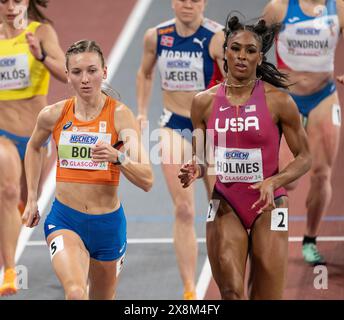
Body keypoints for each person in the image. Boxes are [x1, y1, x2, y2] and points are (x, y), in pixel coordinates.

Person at [178, 16, 311, 299]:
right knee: (231, 292)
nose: (241, 56)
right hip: (226, 201)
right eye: (235, 48)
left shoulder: (279, 101)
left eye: (250, 51)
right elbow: (200, 157)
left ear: (260, 58)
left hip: (270, 204)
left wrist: (274, 181)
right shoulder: (203, 102)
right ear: (224, 51)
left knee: (267, 296)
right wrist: (196, 168)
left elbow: (305, 157)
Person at [23, 39, 153, 300]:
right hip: (65, 219)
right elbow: (34, 147)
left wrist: (118, 157)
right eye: (77, 72)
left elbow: (147, 179)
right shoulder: (53, 114)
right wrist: (32, 199)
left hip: (107, 225)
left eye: (92, 71)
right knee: (75, 293)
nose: (85, 79)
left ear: (104, 72)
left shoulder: (120, 116)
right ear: (67, 75)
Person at [136, 0, 224, 300]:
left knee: (219, 208)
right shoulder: (156, 36)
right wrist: (142, 112)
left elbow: (235, 83)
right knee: (184, 210)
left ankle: (226, 268)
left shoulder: (218, 37)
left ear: (204, 3)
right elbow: (145, 73)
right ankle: (189, 289)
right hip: (174, 125)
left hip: (211, 129)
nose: (188, 5)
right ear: (173, 3)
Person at [262, 0, 344, 265]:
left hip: (324, 98)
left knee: (322, 175)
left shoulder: (339, 7)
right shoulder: (280, 8)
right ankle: (272, 237)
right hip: (287, 101)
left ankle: (310, 240)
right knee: (286, 179)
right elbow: (253, 47)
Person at [0, 0, 67, 296]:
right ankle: (10, 271)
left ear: (27, 2)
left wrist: (40, 57)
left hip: (36, 137)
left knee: (29, 201)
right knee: (8, 190)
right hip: (3, 132)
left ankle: (13, 215)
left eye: (17, 0)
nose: (11, 7)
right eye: (4, 1)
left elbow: (66, 74)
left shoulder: (42, 32)